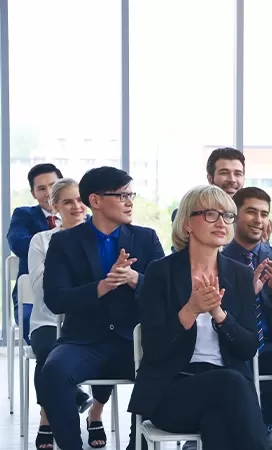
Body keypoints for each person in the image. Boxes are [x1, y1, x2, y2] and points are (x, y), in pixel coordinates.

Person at [128, 185, 268, 450]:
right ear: (188, 223)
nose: (222, 222)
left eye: (227, 216)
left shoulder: (239, 274)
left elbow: (249, 347)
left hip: (226, 391)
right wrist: (190, 310)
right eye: (211, 214)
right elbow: (155, 349)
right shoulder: (161, 272)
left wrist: (219, 314)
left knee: (217, 423)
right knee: (231, 384)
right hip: (172, 390)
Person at [37, 167, 165, 450]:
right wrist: (101, 287)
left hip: (134, 341)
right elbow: (55, 299)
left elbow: (166, 293)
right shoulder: (64, 242)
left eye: (131, 194)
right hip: (84, 339)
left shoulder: (146, 238)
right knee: (53, 371)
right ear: (95, 200)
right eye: (122, 196)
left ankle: (138, 445)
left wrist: (135, 280)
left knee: (166, 367)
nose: (130, 202)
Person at [27, 178, 101, 449]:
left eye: (80, 200)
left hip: (88, 316)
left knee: (109, 346)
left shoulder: (99, 237)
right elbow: (42, 291)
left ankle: (95, 415)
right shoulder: (42, 241)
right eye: (67, 201)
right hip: (47, 319)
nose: (76, 206)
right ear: (54, 206)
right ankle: (48, 418)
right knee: (48, 355)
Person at [221, 186, 272, 449]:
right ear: (234, 214)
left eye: (264, 214)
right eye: (251, 212)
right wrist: (245, 292)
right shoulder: (219, 258)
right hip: (233, 339)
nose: (258, 220)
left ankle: (270, 424)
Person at [7, 163, 63, 342]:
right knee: (36, 329)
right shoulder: (24, 215)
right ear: (33, 193)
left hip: (73, 293)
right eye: (41, 188)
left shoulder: (81, 215)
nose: (48, 192)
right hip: (32, 295)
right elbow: (18, 244)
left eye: (53, 185)